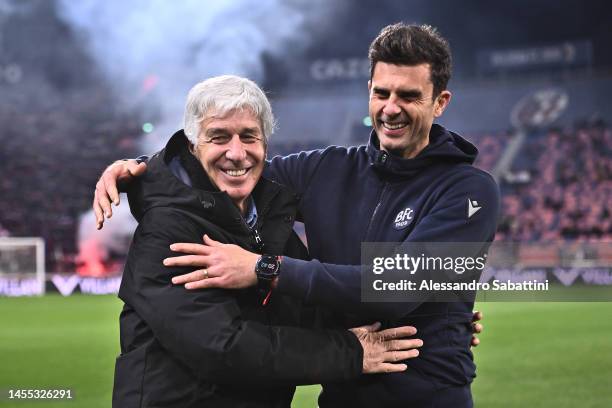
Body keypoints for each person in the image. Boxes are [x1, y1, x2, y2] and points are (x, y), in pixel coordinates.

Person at [96, 23, 496, 407]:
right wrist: (143, 170)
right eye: (382, 93)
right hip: (342, 395)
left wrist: (265, 268)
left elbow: (395, 287)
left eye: (408, 96)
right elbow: (226, 169)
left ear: (440, 102)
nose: (391, 109)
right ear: (369, 91)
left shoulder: (468, 191)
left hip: (427, 399)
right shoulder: (326, 169)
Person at [111, 75, 424, 408]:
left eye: (249, 137)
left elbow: (310, 313)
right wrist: (351, 352)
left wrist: (434, 319)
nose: (236, 153)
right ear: (192, 145)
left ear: (265, 144)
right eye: (218, 137)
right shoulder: (168, 228)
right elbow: (222, 348)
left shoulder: (268, 221)